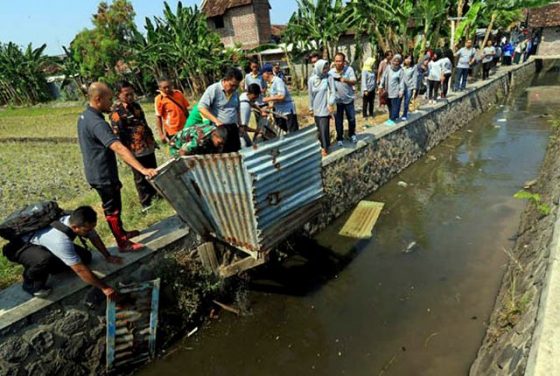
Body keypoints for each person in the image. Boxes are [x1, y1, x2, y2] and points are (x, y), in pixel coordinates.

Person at [78, 82, 158, 252]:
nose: (111, 103)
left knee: (115, 205)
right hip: (103, 173)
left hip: (97, 170)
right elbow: (119, 147)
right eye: (109, 99)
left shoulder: (85, 116)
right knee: (112, 209)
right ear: (98, 99)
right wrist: (143, 170)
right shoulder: (98, 123)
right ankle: (122, 243)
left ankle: (122, 233)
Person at [4, 206, 122, 298]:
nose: (90, 231)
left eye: (92, 227)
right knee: (44, 259)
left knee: (86, 258)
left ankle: (53, 266)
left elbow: (94, 237)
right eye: (88, 229)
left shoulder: (76, 218)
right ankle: (30, 283)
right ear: (75, 227)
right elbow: (79, 269)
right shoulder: (59, 240)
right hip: (22, 247)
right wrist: (104, 288)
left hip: (45, 243)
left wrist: (108, 256)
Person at [110, 81, 158, 212]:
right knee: (140, 178)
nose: (130, 97)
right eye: (127, 95)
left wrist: (152, 141)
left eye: (132, 94)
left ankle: (157, 196)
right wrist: (126, 155)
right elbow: (117, 136)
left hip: (146, 146)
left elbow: (144, 124)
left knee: (153, 171)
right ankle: (146, 203)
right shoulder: (116, 112)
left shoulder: (136, 106)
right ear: (118, 95)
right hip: (134, 150)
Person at [198, 67, 243, 152]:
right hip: (220, 129)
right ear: (225, 80)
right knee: (221, 153)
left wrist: (240, 124)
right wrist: (216, 121)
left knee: (235, 154)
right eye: (232, 85)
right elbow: (201, 107)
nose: (234, 88)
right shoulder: (214, 89)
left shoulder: (235, 93)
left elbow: (237, 109)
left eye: (236, 86)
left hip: (233, 128)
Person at [262, 63, 299, 133]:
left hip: (287, 111)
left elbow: (281, 96)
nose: (262, 76)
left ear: (268, 73)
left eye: (263, 74)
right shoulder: (270, 84)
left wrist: (267, 99)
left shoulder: (277, 81)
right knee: (282, 132)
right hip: (279, 112)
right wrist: (268, 107)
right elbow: (275, 99)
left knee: (293, 132)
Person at [309, 59, 336, 156]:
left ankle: (325, 148)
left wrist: (330, 103)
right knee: (319, 129)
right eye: (323, 68)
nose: (325, 70)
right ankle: (323, 145)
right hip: (316, 108)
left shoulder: (329, 78)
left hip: (325, 107)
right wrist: (310, 108)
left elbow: (333, 92)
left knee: (324, 128)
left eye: (326, 67)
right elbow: (310, 95)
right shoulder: (312, 80)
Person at [330, 52, 357, 146]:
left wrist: (346, 80)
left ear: (344, 61)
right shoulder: (331, 73)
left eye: (340, 61)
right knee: (338, 121)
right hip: (337, 101)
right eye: (336, 61)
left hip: (349, 99)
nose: (338, 63)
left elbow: (354, 81)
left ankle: (352, 134)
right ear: (334, 62)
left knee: (352, 119)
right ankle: (340, 138)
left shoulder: (349, 70)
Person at [154, 78, 190, 145]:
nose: (167, 89)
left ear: (171, 86)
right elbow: (158, 117)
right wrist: (161, 134)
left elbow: (185, 110)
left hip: (185, 127)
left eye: (168, 87)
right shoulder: (159, 99)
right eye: (164, 88)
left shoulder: (178, 93)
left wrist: (190, 123)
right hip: (172, 130)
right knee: (177, 149)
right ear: (160, 88)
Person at [380, 54, 405, 126]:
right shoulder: (388, 68)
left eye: (398, 61)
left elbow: (401, 82)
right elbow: (383, 77)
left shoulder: (400, 71)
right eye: (394, 61)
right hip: (387, 91)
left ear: (399, 62)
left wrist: (401, 91)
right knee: (389, 106)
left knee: (394, 106)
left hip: (395, 91)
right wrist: (381, 85)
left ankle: (392, 119)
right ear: (392, 61)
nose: (396, 63)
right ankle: (391, 117)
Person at [402, 55, 417, 121]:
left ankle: (404, 114)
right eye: (407, 58)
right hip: (401, 87)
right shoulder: (401, 67)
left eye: (410, 58)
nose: (408, 60)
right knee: (399, 101)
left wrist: (414, 88)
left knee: (406, 101)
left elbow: (414, 78)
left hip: (409, 87)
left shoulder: (413, 68)